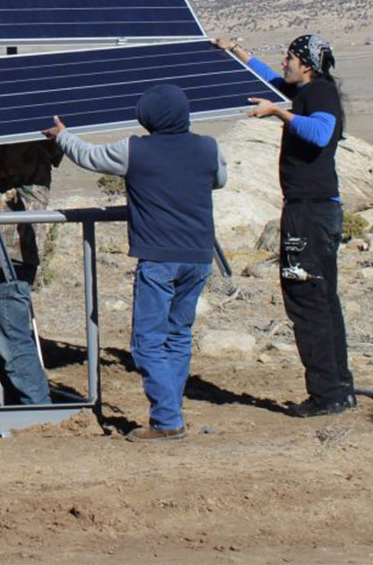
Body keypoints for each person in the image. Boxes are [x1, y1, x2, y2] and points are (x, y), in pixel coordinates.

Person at [44, 84, 227, 442]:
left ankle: (167, 420)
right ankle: (170, 412)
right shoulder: (208, 147)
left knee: (147, 343)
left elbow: (91, 157)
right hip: (199, 257)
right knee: (178, 336)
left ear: (149, 117)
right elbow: (219, 180)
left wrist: (63, 137)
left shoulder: (136, 150)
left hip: (159, 258)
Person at [213, 34, 355, 417]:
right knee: (324, 300)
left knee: (306, 300)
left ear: (306, 63)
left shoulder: (320, 94)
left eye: (290, 56)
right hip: (315, 210)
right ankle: (339, 388)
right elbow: (271, 83)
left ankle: (326, 395)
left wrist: (278, 114)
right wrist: (237, 52)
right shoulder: (307, 91)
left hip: (309, 213)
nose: (285, 61)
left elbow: (321, 132)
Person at [0, 139, 63, 405]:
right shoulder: (38, 138)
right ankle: (19, 399)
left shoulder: (23, 141)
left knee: (9, 329)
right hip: (9, 245)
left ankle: (35, 404)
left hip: (8, 245)